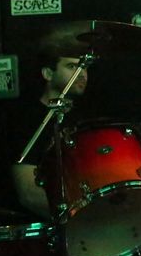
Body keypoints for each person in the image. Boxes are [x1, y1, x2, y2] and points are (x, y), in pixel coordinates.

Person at [8, 50, 89, 218]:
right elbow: (28, 194)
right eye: (72, 66)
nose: (82, 73)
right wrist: (81, 218)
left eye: (85, 67)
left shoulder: (87, 121)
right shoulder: (27, 120)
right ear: (48, 74)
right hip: (51, 225)